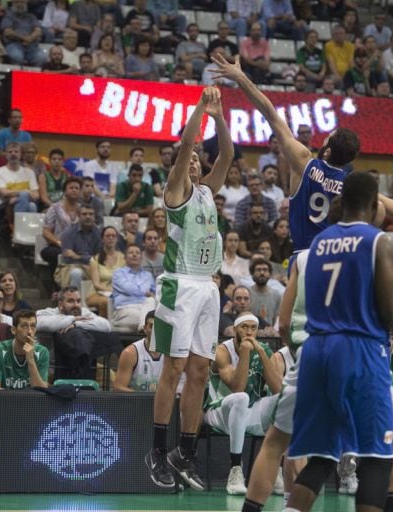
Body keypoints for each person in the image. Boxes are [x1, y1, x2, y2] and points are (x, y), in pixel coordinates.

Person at [210, 53, 393, 260]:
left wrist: (241, 78)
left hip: (302, 256)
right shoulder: (351, 185)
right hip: (332, 258)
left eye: (328, 136)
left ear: (328, 148)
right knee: (378, 208)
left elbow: (269, 111)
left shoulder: (303, 160)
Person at [286, 172, 393, 512]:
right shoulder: (378, 241)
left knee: (322, 458)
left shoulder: (319, 243)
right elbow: (389, 308)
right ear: (374, 204)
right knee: (376, 458)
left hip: (316, 349)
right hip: (359, 349)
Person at [146, 87, 233, 491]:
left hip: (208, 287)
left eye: (200, 159)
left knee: (200, 370)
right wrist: (199, 109)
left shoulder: (207, 191)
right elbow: (184, 147)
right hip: (179, 285)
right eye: (191, 160)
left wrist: (218, 116)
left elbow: (228, 156)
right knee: (174, 368)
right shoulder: (176, 192)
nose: (195, 162)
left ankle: (186, 451)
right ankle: (157, 452)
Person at [205, 312, 283, 495]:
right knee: (241, 398)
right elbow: (237, 388)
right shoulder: (222, 351)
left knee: (286, 399)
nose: (249, 332)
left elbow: (278, 388)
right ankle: (235, 470)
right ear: (235, 329)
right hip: (218, 411)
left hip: (248, 412)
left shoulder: (263, 349)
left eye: (253, 328)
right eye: (244, 327)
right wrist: (246, 352)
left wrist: (262, 352)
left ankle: (276, 470)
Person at [36, 286, 116, 380]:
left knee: (110, 375)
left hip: (80, 364)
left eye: (78, 301)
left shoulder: (84, 313)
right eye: (70, 301)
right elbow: (39, 323)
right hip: (53, 368)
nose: (76, 305)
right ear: (60, 304)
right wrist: (72, 319)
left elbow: (106, 325)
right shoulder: (50, 312)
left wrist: (77, 324)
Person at [0, 310, 49, 389]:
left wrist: (30, 360)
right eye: (24, 326)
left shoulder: (42, 352)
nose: (30, 331)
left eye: (33, 326)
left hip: (31, 401)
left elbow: (42, 392)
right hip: (4, 401)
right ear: (13, 330)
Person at [0, 141, 39, 230]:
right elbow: (4, 193)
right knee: (24, 196)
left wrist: (18, 197)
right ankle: (20, 229)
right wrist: (25, 193)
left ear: (21, 155)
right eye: (10, 152)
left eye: (16, 151)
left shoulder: (29, 172)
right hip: (3, 207)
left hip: (22, 205)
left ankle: (21, 231)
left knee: (32, 206)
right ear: (6, 155)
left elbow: (36, 195)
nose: (13, 154)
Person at [114, 312, 166, 392]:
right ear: (145, 328)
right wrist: (143, 398)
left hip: (163, 402)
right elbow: (119, 387)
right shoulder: (130, 353)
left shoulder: (172, 353)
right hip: (137, 402)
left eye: (160, 327)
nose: (156, 331)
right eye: (152, 326)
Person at [111, 244, 156, 331]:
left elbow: (155, 294)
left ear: (141, 257)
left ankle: (143, 328)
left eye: (137, 253)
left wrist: (151, 295)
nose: (134, 255)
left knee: (151, 301)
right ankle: (145, 328)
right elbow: (128, 288)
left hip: (145, 306)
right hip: (125, 309)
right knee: (150, 318)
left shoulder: (148, 275)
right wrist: (146, 292)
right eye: (131, 252)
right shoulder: (118, 273)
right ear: (124, 257)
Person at [55, 204, 101, 289]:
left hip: (94, 267)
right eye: (84, 214)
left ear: (94, 217)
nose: (88, 217)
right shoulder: (68, 233)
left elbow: (99, 257)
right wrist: (86, 259)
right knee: (76, 273)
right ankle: (73, 299)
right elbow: (69, 259)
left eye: (91, 214)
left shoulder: (98, 233)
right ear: (78, 216)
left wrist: (78, 256)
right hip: (72, 266)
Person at [0, 0, 46, 67]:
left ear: (26, 3)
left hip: (31, 46)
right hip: (14, 44)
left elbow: (38, 31)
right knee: (17, 57)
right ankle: (18, 76)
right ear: (12, 3)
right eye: (17, 2)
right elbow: (8, 32)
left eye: (22, 2)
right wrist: (24, 38)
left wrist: (30, 39)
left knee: (42, 58)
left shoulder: (31, 17)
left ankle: (33, 77)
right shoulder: (8, 17)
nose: (20, 4)